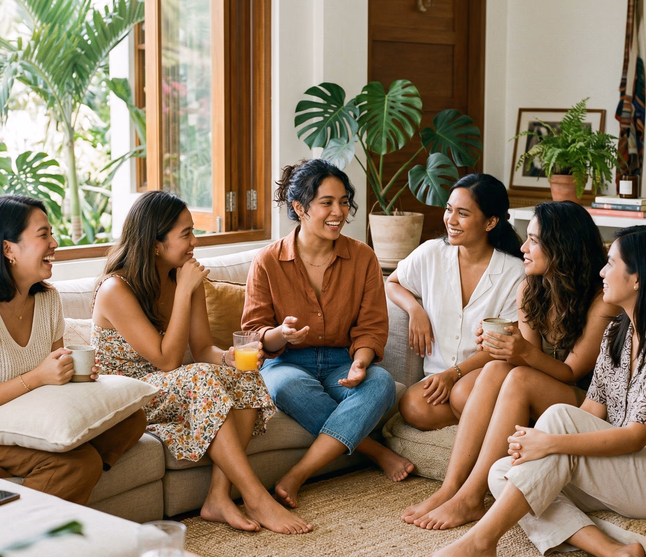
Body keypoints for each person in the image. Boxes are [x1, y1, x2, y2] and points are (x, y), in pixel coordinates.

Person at [430, 225, 646, 557]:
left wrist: (549, 442)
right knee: (503, 471)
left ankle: (481, 542)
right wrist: (539, 449)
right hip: (629, 465)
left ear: (639, 278)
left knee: (558, 420)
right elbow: (592, 413)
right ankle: (611, 551)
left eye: (611, 263)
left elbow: (635, 437)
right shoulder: (616, 333)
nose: (602, 272)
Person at [92, 190, 311, 534]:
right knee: (201, 379)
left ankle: (218, 497)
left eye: (193, 231)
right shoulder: (115, 289)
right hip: (127, 396)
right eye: (186, 234)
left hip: (168, 388)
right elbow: (167, 361)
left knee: (245, 377)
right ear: (154, 244)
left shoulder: (183, 277)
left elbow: (204, 349)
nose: (195, 241)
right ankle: (256, 497)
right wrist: (184, 291)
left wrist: (233, 357)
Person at [404, 200, 618, 529]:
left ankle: (471, 498)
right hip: (544, 388)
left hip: (585, 402)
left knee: (517, 378)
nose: (523, 247)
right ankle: (451, 488)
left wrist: (522, 353)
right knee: (496, 369)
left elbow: (572, 372)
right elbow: (529, 359)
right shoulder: (530, 288)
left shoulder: (600, 300)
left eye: (533, 240)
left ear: (561, 247)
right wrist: (504, 348)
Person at [0, 195, 146, 505]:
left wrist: (73, 375)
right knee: (79, 463)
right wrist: (38, 377)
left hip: (26, 418)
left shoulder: (48, 299)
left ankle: (15, 483)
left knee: (132, 419)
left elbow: (55, 371)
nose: (54, 242)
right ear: (7, 249)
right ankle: (18, 532)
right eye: (43, 235)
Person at [242, 158, 411, 509]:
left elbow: (372, 327)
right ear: (300, 208)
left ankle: (297, 473)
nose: (339, 212)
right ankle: (375, 451)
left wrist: (361, 364)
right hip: (286, 362)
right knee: (285, 385)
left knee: (381, 384)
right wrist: (280, 335)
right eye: (327, 203)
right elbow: (253, 332)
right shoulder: (267, 261)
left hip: (342, 362)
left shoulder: (363, 258)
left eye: (344, 201)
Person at [386, 173, 526, 432]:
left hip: (484, 372)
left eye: (463, 213)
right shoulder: (431, 253)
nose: (450, 220)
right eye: (449, 209)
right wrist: (415, 310)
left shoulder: (514, 272)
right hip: (438, 375)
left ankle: (482, 417)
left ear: (490, 222)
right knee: (412, 405)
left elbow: (502, 346)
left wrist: (455, 374)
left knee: (462, 393)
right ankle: (490, 421)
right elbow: (392, 283)